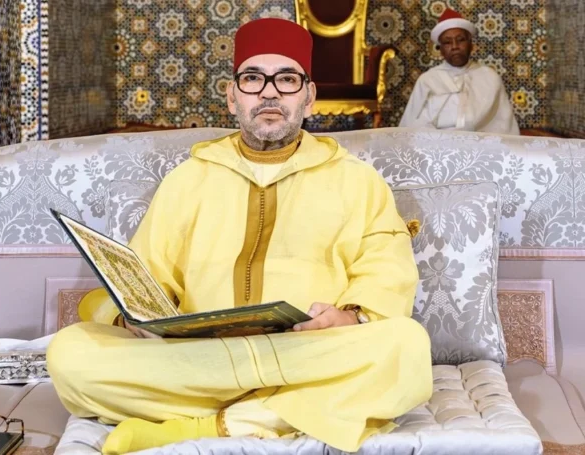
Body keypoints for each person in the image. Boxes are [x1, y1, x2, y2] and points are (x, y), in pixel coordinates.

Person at [47, 18, 432, 455]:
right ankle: (284, 412)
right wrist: (131, 318)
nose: (269, 93)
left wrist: (347, 317)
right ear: (232, 97)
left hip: (306, 353)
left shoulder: (357, 181)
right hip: (199, 360)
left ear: (309, 97)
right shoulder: (188, 179)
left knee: (406, 347)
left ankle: (209, 425)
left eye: (286, 79)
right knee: (69, 353)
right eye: (253, 79)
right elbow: (143, 278)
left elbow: (386, 273)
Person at [399, 9, 520, 135]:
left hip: (481, 143)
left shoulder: (490, 77)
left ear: (471, 44)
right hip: (438, 143)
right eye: (447, 42)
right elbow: (412, 127)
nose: (455, 46)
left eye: (460, 40)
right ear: (440, 49)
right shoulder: (427, 80)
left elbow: (504, 127)